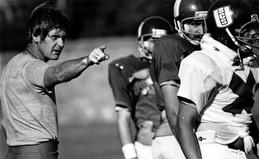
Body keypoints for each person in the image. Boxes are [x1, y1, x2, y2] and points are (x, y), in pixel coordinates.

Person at [0, 2, 108, 159]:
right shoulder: (31, 66)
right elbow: (57, 73)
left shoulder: (10, 66)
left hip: (13, 152)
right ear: (35, 35)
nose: (61, 43)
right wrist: (88, 60)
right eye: (55, 37)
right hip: (38, 152)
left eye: (63, 38)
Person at [175, 0, 259, 158]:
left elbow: (242, 114)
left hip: (239, 151)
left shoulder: (251, 65)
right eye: (246, 29)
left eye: (252, 28)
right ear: (228, 32)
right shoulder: (203, 63)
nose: (253, 33)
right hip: (213, 149)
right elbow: (184, 122)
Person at [149, 0, 213, 158]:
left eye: (205, 23)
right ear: (178, 24)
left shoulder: (211, 46)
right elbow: (174, 112)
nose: (201, 30)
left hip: (202, 134)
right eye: (193, 23)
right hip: (179, 137)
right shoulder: (171, 45)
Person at [108, 16, 173, 159]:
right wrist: (130, 154)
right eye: (153, 41)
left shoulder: (182, 66)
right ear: (142, 42)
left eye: (163, 42)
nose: (157, 47)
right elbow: (123, 117)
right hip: (146, 145)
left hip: (176, 140)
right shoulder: (127, 68)